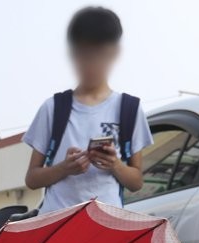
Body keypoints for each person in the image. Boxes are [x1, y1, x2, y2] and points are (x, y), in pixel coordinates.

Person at [22, 6, 152, 214]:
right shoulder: (53, 108)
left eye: (99, 54)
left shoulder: (130, 109)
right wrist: (64, 168)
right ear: (73, 54)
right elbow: (32, 179)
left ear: (113, 54)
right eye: (85, 54)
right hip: (57, 223)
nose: (91, 63)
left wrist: (115, 164)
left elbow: (136, 182)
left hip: (106, 225)